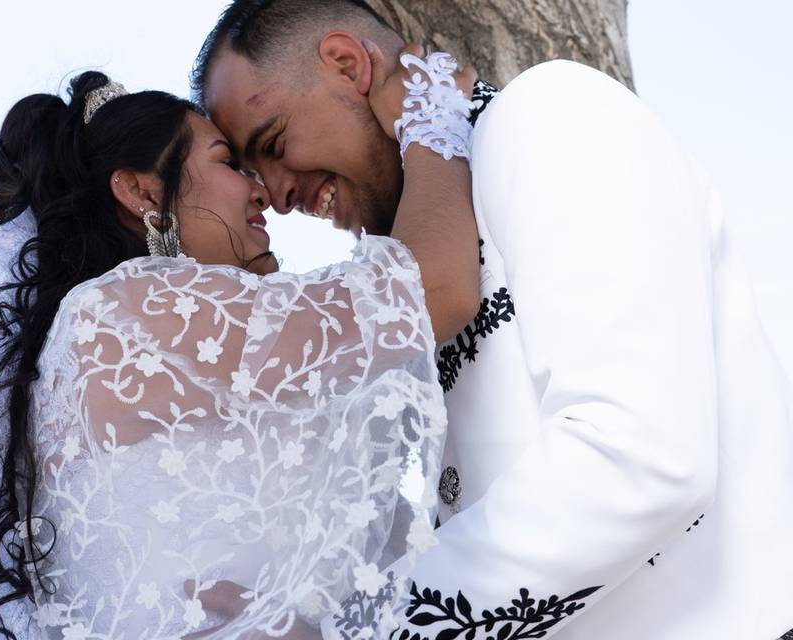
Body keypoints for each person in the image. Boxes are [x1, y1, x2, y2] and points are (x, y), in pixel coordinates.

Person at [192, 1, 793, 639]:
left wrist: (360, 627)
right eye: (256, 172)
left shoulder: (548, 113)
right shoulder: (425, 250)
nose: (279, 196)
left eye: (276, 143)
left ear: (347, 64)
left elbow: (641, 454)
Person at [0, 49, 489, 639]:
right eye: (229, 162)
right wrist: (429, 113)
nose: (263, 192)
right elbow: (431, 287)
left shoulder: (97, 341)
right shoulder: (125, 314)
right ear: (141, 192)